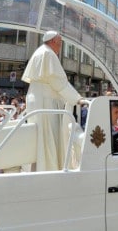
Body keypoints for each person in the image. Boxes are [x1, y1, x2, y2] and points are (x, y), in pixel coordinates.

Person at [21, 31, 84, 171]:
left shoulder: (40, 51)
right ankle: (49, 168)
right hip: (45, 101)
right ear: (53, 41)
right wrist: (77, 99)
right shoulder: (48, 54)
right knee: (47, 136)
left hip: (38, 99)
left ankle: (38, 167)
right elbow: (59, 82)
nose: (61, 46)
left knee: (39, 136)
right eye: (60, 42)